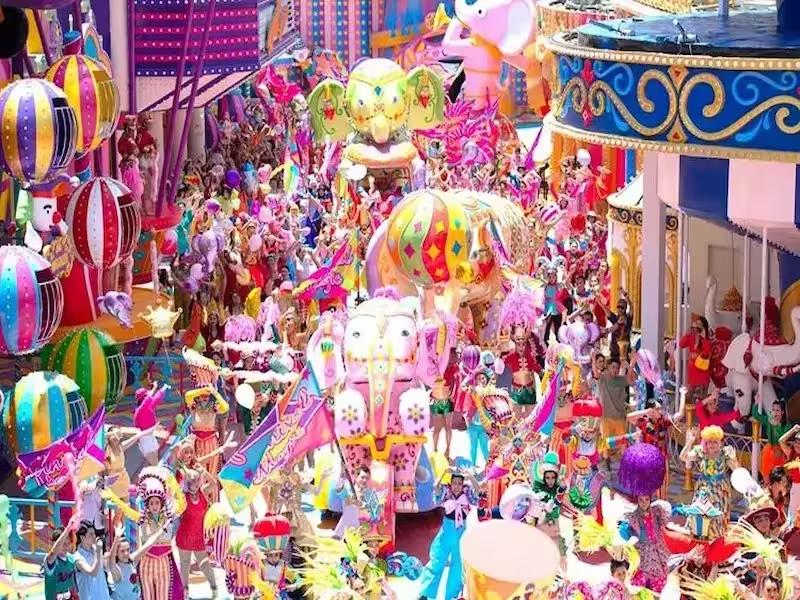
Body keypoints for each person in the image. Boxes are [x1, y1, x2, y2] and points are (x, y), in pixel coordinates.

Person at [418, 470, 478, 600]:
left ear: (463, 485)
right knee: (437, 560)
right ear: (451, 483)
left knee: (458, 565)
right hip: (446, 530)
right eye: (454, 483)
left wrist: (471, 477)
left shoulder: (467, 493)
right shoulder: (446, 492)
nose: (457, 486)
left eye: (459, 483)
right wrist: (443, 473)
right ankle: (425, 592)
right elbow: (435, 487)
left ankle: (452, 596)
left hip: (461, 531)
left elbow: (477, 491)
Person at [175, 469, 217, 597]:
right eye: (192, 481)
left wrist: (204, 472)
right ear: (187, 482)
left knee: (204, 563)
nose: (195, 483)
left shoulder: (203, 492)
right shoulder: (183, 496)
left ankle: (214, 589)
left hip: (199, 536)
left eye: (197, 480)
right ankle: (185, 592)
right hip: (185, 536)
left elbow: (214, 484)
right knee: (185, 564)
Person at [596, 355, 636, 470]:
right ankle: (607, 464)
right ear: (608, 367)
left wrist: (630, 366)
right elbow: (596, 373)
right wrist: (594, 359)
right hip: (606, 416)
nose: (615, 370)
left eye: (617, 368)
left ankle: (623, 466)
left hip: (620, 416)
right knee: (606, 442)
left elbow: (633, 381)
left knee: (622, 442)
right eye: (613, 367)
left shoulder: (621, 380)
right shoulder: (603, 379)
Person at [679, 315, 713, 405]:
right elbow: (681, 344)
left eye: (699, 325)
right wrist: (688, 333)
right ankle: (687, 410)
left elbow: (706, 352)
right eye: (695, 324)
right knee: (690, 393)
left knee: (703, 394)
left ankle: (702, 411)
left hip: (703, 368)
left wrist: (703, 338)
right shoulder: (691, 336)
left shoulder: (706, 339)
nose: (697, 327)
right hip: (693, 368)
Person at [74, 521, 110, 600]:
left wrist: (107, 558)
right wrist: (98, 551)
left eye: (94, 533)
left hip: (104, 596)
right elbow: (93, 573)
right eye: (91, 534)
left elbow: (107, 568)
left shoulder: (96, 549)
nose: (94, 536)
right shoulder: (78, 557)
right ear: (82, 537)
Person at [44, 526, 78, 600]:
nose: (66, 546)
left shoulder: (72, 559)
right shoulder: (51, 560)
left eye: (68, 543)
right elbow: (54, 552)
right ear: (54, 543)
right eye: (63, 543)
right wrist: (67, 529)